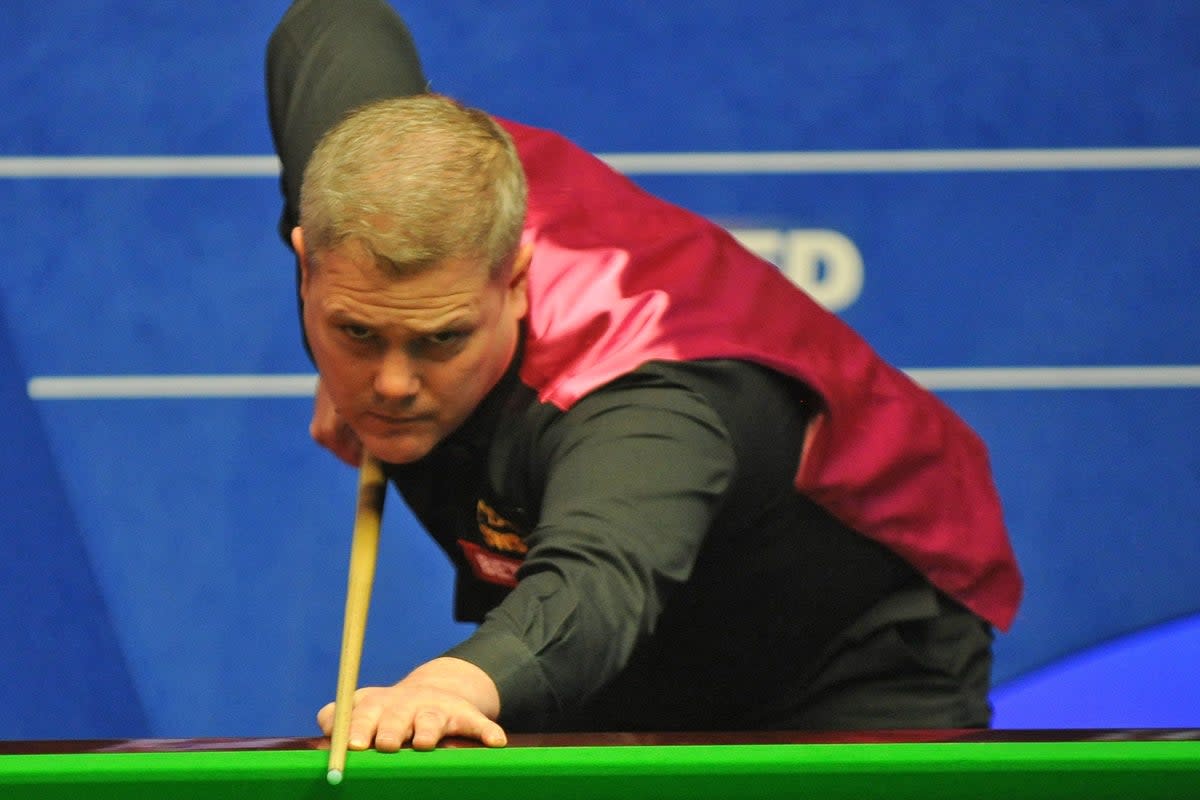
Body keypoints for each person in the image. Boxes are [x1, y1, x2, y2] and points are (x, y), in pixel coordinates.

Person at [266, 0, 1022, 752]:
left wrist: (447, 687)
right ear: (309, 260)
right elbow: (334, 22)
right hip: (619, 663)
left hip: (842, 656)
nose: (393, 383)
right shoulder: (352, 178)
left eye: (440, 339)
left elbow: (596, 584)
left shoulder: (640, 396)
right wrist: (363, 348)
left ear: (517, 280)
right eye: (358, 331)